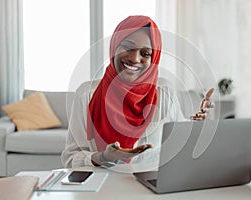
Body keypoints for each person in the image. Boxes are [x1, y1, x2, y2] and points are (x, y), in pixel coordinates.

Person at [61, 15, 213, 168]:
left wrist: (198, 125)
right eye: (128, 47)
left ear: (154, 58)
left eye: (145, 53)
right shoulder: (86, 94)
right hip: (104, 185)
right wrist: (103, 157)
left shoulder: (164, 91)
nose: (135, 58)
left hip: (152, 184)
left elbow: (179, 141)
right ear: (114, 46)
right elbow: (70, 158)